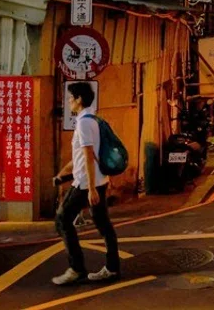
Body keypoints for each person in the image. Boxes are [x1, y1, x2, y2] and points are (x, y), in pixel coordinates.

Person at [52, 82, 120, 285]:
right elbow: (81, 156)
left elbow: (88, 156)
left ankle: (76, 268)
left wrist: (90, 188)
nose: (69, 102)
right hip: (97, 180)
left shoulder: (83, 123)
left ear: (80, 99)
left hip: (85, 184)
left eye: (71, 98)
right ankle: (112, 268)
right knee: (103, 225)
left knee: (62, 220)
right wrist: (63, 175)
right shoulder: (93, 119)